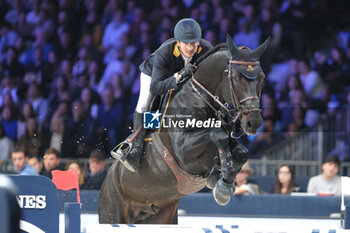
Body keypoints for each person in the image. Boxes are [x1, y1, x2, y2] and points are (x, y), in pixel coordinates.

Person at [114, 18, 212, 172]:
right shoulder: (164, 52)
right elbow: (156, 87)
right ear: (178, 42)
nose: (191, 47)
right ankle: (135, 147)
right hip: (155, 75)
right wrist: (178, 77)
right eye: (186, 43)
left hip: (185, 78)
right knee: (145, 103)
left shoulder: (206, 49)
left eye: (194, 42)